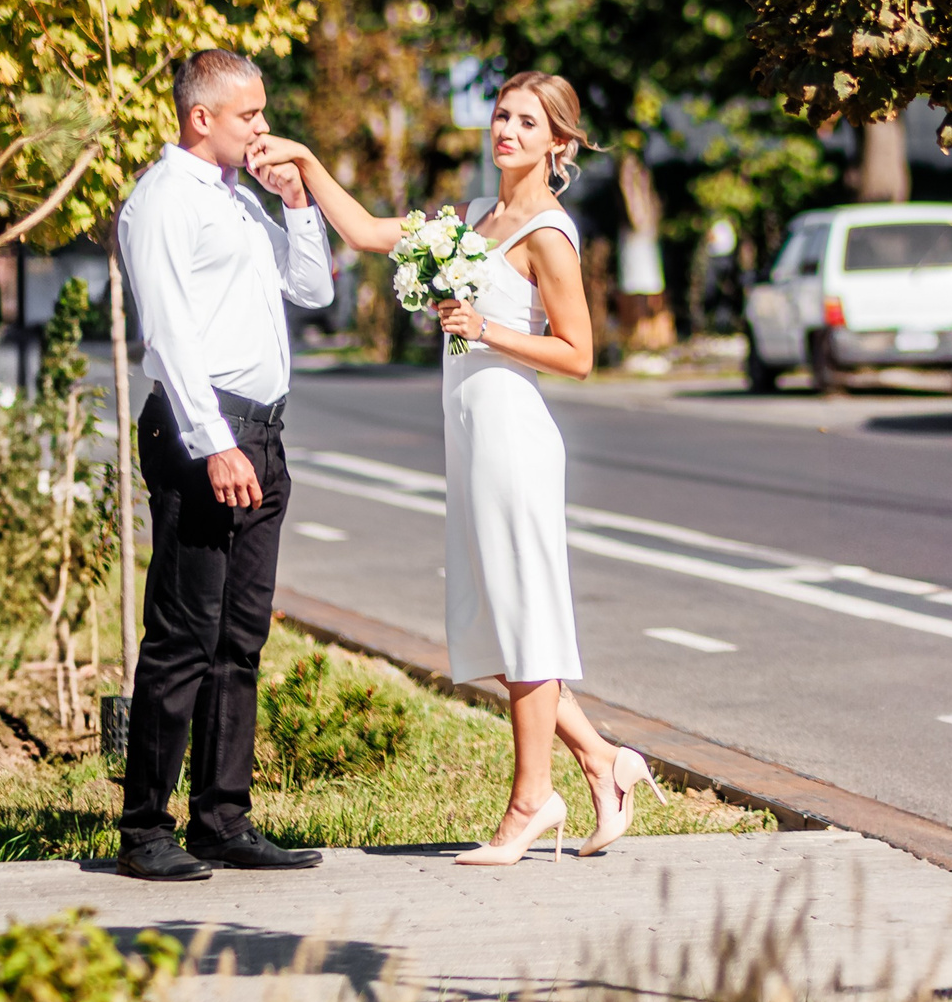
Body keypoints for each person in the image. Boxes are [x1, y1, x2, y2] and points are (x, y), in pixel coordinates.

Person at [255, 71, 664, 864]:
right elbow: (373, 233)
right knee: (502, 615)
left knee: (525, 616)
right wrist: (305, 160)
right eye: (501, 115)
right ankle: (603, 761)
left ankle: (528, 803)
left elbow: (578, 354)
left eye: (524, 121)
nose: (504, 130)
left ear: (558, 142)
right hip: (470, 432)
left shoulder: (547, 230)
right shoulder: (475, 215)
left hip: (513, 434)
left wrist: (486, 328)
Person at [115, 49, 336, 881]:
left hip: (263, 435)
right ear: (201, 117)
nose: (264, 128)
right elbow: (169, 337)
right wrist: (217, 446)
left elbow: (311, 289)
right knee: (181, 634)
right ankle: (145, 829)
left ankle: (223, 818)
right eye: (250, 115)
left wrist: (299, 203)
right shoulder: (164, 200)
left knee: (239, 638)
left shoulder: (240, 199)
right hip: (201, 434)